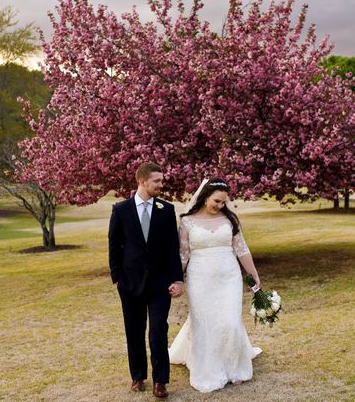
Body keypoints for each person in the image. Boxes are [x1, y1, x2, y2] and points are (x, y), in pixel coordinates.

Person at [168, 177, 262, 393]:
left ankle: (234, 368)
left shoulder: (230, 220)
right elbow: (183, 255)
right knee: (206, 324)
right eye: (216, 201)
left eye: (223, 202)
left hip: (229, 277)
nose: (219, 206)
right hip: (199, 278)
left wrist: (253, 275)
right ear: (205, 197)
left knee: (230, 321)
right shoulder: (187, 222)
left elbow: (242, 249)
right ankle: (209, 370)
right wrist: (177, 278)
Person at [108, 162, 184, 398]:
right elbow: (114, 245)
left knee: (158, 329)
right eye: (157, 181)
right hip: (130, 283)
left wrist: (177, 279)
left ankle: (160, 381)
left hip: (160, 283)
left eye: (162, 181)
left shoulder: (166, 209)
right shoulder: (120, 210)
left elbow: (173, 248)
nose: (162, 185)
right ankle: (138, 376)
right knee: (134, 330)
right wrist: (118, 278)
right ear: (142, 181)